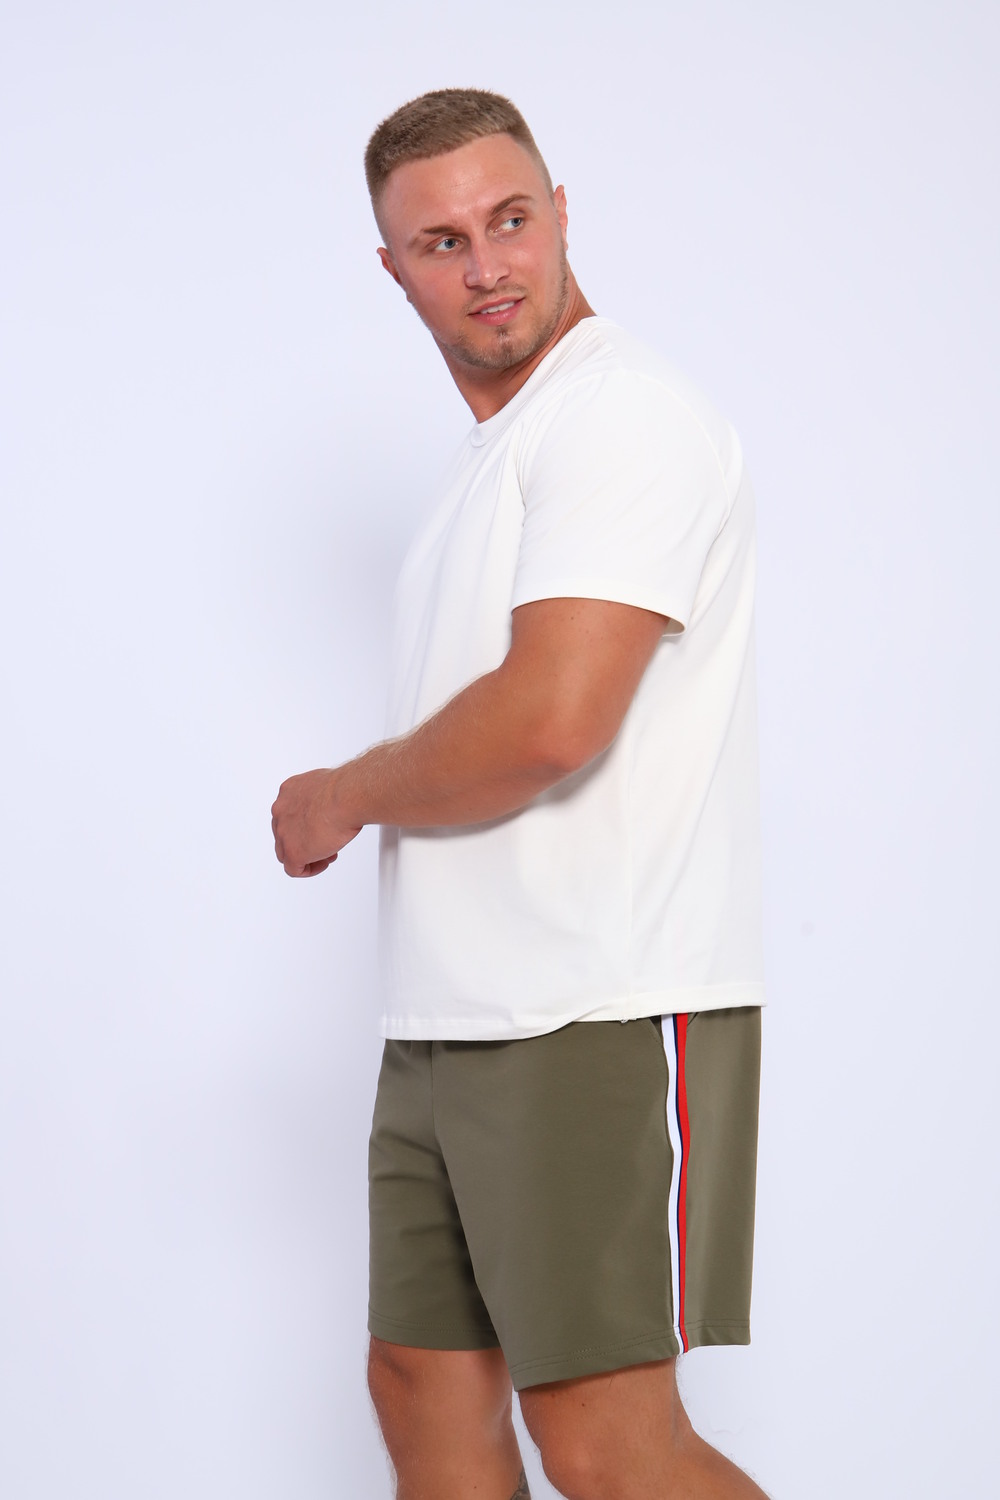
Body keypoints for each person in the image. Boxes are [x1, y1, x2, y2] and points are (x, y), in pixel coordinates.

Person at [271, 88, 768, 1500]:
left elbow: (552, 721)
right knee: (421, 1383)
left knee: (607, 1442)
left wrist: (342, 796)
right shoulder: (498, 453)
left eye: (508, 220)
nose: (487, 265)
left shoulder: (624, 419)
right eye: (442, 242)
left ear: (559, 213)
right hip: (451, 1013)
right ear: (393, 270)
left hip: (590, 1006)